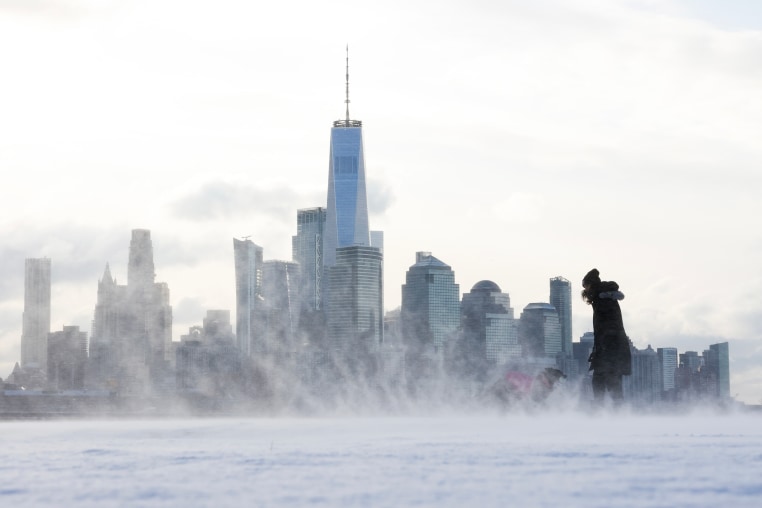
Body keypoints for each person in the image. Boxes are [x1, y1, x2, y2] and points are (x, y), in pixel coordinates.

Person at [582, 268, 631, 404]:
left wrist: (602, 349)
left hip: (610, 350)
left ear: (591, 285)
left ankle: (605, 413)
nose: (585, 290)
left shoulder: (602, 300)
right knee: (608, 383)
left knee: (607, 382)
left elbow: (608, 329)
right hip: (610, 349)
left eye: (585, 286)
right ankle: (610, 413)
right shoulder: (603, 298)